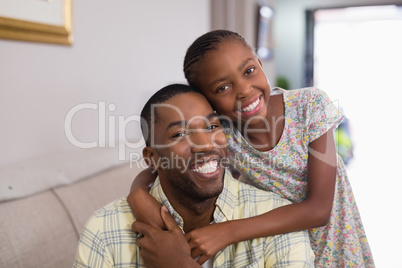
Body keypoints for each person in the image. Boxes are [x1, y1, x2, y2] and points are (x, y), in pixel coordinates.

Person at [128, 30, 375, 267]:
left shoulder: (309, 106)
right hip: (279, 249)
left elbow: (319, 209)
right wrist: (138, 194)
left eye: (249, 70)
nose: (245, 90)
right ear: (208, 101)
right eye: (223, 88)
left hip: (338, 248)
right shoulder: (222, 134)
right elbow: (168, 161)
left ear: (259, 63)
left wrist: (225, 232)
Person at [73, 84, 315, 267]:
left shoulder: (275, 219)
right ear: (153, 157)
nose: (204, 144)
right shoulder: (105, 230)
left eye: (212, 127)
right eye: (179, 134)